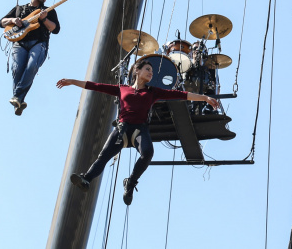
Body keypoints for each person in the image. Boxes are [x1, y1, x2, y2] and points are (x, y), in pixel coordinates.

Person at [57, 60, 220, 205]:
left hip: (139, 129)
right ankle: (86, 178)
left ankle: (131, 183)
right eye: (148, 69)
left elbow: (180, 94)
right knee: (103, 156)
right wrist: (72, 81)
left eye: (152, 71)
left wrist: (205, 98)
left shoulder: (153, 92)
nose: (151, 73)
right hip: (122, 128)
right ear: (137, 71)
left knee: (148, 152)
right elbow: (96, 86)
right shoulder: (122, 89)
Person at [0, 0, 61, 115]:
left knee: (32, 66)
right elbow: (1, 22)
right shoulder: (19, 9)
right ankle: (19, 101)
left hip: (38, 43)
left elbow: (55, 29)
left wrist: (44, 20)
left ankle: (17, 97)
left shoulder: (48, 11)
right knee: (17, 70)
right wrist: (14, 20)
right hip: (19, 44)